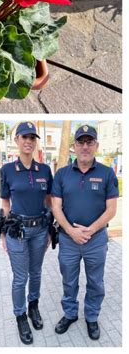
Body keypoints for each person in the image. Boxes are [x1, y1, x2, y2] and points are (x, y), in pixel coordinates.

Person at [51, 125, 119, 341]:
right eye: (81, 142)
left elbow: (111, 210)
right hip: (68, 240)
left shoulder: (107, 173)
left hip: (96, 239)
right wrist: (71, 231)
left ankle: (91, 317)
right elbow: (56, 207)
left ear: (96, 146)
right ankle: (70, 314)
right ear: (74, 147)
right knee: (69, 280)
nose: (85, 146)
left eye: (90, 142)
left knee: (95, 281)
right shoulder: (62, 174)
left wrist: (90, 230)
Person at [0, 122, 54, 345]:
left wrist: (51, 229)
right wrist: (3, 234)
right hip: (18, 231)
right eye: (24, 137)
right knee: (20, 278)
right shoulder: (7, 170)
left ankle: (34, 307)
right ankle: (20, 315)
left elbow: (49, 201)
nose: (29, 141)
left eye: (32, 137)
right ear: (17, 141)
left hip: (40, 230)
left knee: (37, 272)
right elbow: (5, 202)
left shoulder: (45, 170)